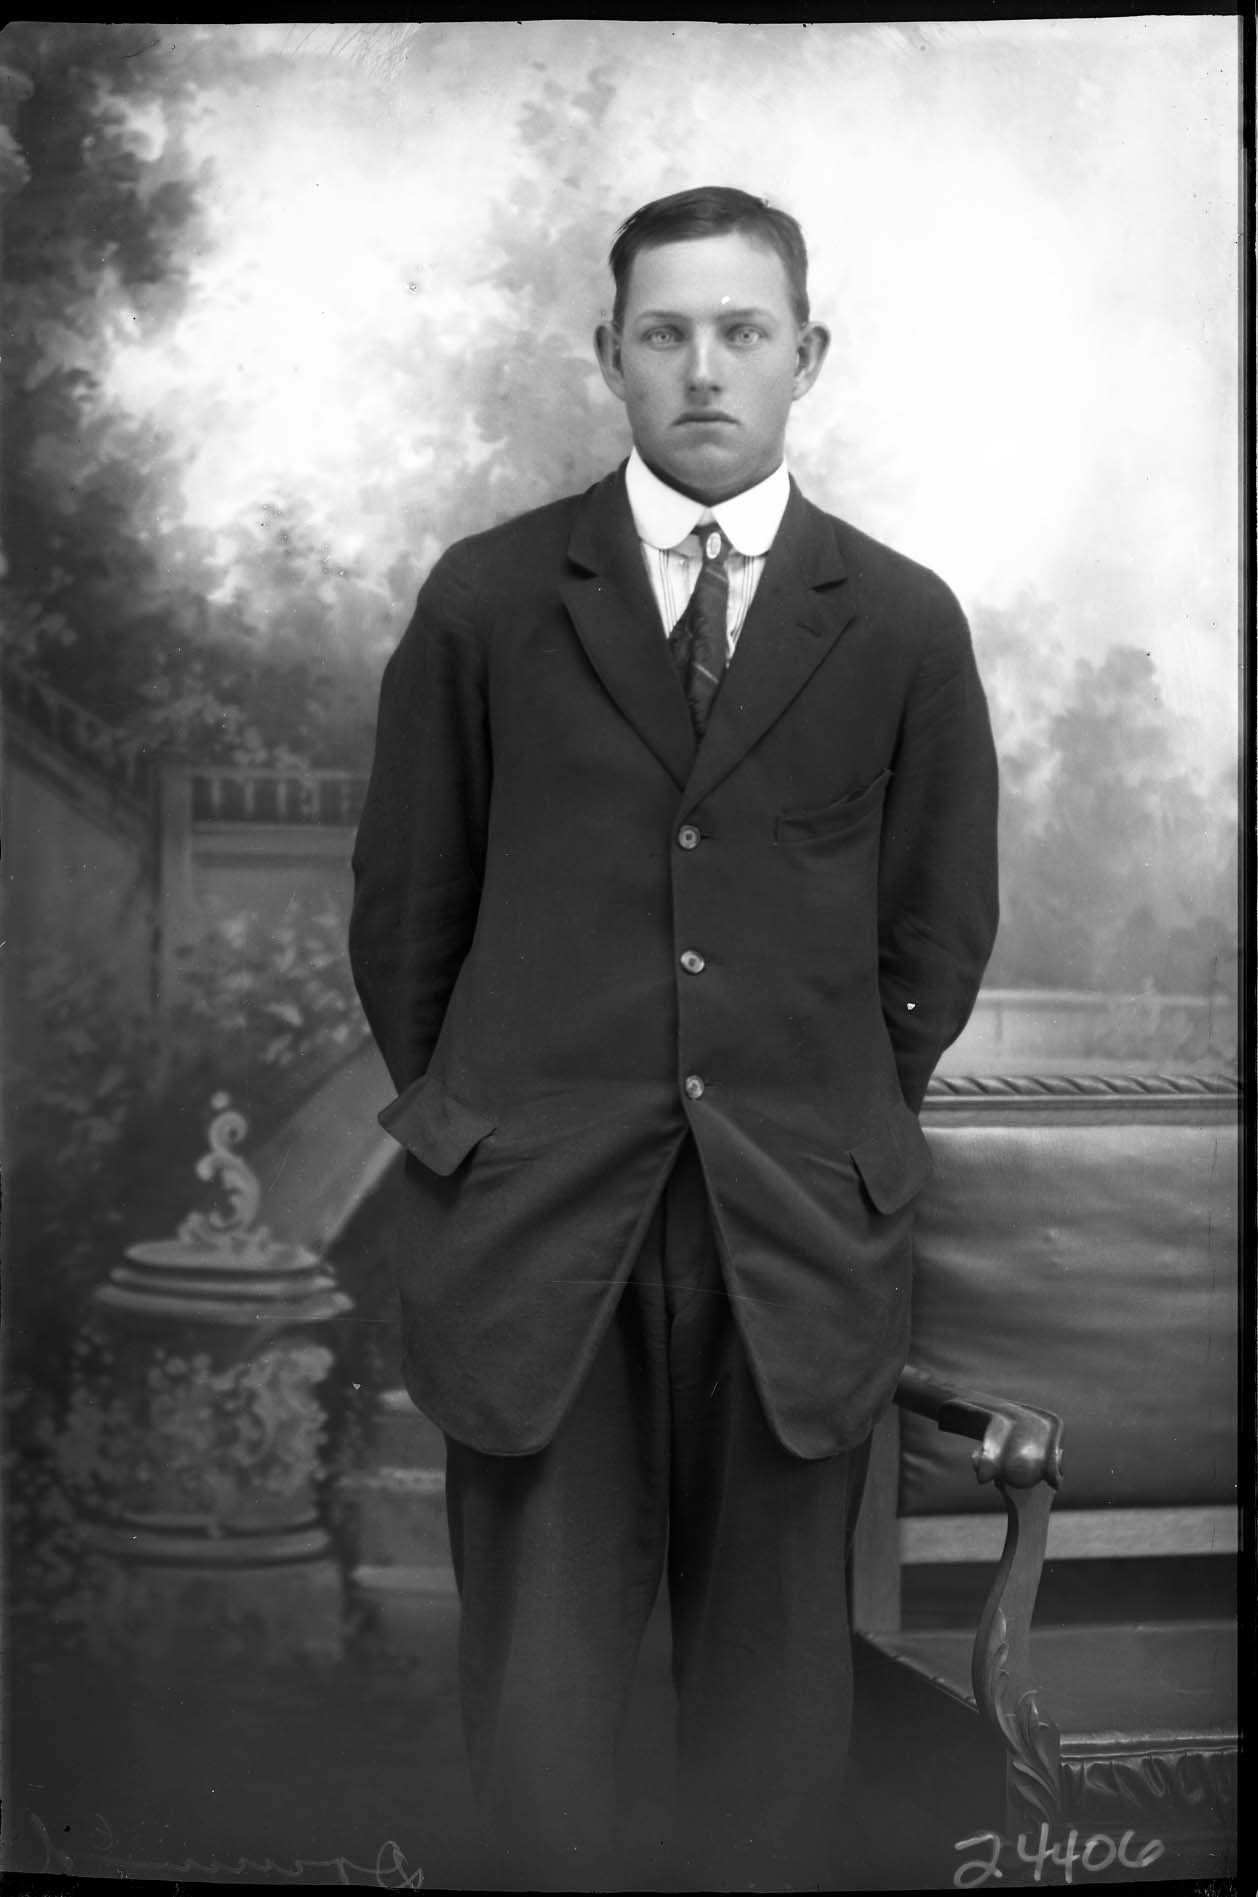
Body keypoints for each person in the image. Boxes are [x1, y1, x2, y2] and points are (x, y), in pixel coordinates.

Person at [349, 185, 999, 1890]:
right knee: (544, 1714)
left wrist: (821, 1114)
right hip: (536, 1218)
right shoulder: (490, 599)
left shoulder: (899, 619)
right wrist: (498, 1116)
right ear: (609, 356)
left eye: (740, 331)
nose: (703, 367)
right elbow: (406, 916)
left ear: (805, 355)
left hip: (793, 1227)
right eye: (665, 333)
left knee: (776, 1718)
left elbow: (934, 932)